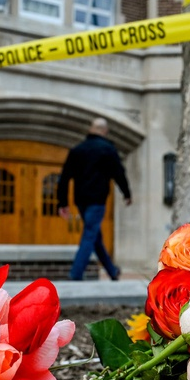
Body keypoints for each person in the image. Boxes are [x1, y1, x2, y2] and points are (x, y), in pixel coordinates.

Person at [57, 117, 132, 281]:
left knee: (95, 235)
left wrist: (62, 202)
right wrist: (126, 193)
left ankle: (112, 271)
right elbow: (119, 173)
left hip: (81, 200)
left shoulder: (78, 150)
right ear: (104, 131)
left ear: (91, 129)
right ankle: (76, 273)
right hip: (97, 200)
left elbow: (64, 177)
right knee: (90, 234)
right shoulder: (108, 149)